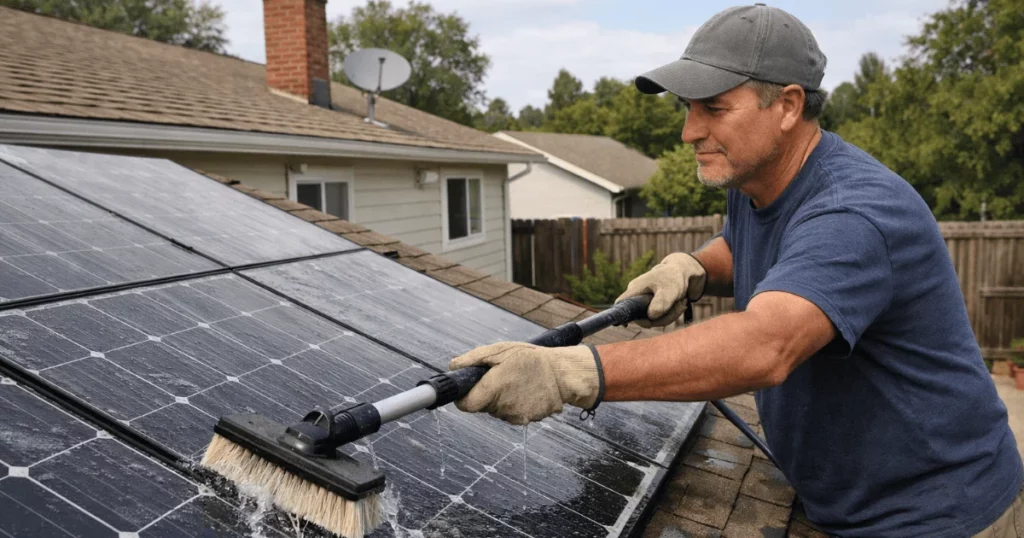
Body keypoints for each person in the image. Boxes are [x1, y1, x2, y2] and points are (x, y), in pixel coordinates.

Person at [447, 3, 1024, 537]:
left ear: (789, 106)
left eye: (715, 108)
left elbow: (765, 346)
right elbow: (750, 242)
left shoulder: (856, 212)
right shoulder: (758, 183)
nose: (689, 131)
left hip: (938, 516)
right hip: (850, 503)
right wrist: (693, 267)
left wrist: (572, 371)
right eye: (688, 109)